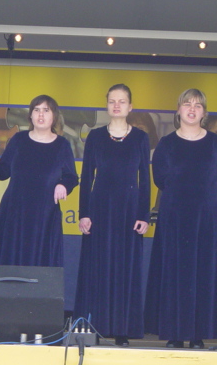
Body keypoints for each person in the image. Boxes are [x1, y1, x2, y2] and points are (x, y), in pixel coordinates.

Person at [145, 88, 217, 349]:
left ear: (204, 113)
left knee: (202, 273)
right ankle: (174, 333)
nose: (192, 109)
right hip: (174, 217)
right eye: (187, 104)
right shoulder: (167, 143)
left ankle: (197, 335)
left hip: (205, 217)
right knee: (174, 273)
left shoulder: (215, 144)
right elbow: (160, 178)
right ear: (178, 109)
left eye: (198, 105)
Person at [73, 84, 150, 347]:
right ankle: (95, 325)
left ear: (130, 106)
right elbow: (86, 177)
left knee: (125, 269)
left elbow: (145, 179)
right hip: (100, 208)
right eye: (112, 101)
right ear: (107, 105)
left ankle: (122, 329)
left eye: (122, 101)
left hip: (129, 210)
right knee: (98, 267)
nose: (116, 106)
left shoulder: (140, 138)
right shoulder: (95, 136)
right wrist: (84, 213)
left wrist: (144, 215)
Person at [0, 95, 78, 267]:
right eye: (36, 110)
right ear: (31, 116)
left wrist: (63, 185)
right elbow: (2, 172)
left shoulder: (62, 145)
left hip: (45, 214)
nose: (41, 114)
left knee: (41, 264)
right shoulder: (18, 140)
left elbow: (71, 177)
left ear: (54, 116)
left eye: (46, 110)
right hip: (14, 212)